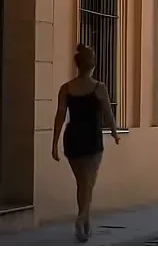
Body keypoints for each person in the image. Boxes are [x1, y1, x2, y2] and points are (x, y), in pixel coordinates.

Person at [52, 44, 120, 243]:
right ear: (93, 66)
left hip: (72, 138)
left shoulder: (66, 88)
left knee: (82, 183)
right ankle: (82, 218)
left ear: (77, 65)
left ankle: (85, 223)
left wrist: (54, 143)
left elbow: (60, 116)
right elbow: (108, 114)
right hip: (91, 139)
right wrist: (115, 134)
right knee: (88, 183)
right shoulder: (99, 88)